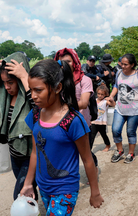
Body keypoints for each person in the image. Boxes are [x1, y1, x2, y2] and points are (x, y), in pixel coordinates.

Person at [20, 59, 104, 215]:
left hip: (65, 190)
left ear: (58, 87)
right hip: (43, 186)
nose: (33, 96)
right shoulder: (35, 114)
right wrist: (27, 184)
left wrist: (95, 192)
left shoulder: (73, 120)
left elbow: (87, 159)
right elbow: (34, 152)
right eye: (31, 90)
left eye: (39, 90)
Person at [0, 52, 38, 201]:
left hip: (30, 157)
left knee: (20, 195)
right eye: (3, 82)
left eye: (10, 82)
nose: (6, 87)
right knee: (29, 193)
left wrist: (25, 77)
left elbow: (38, 108)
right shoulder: (4, 97)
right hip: (15, 154)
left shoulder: (33, 96)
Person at [54, 48, 99, 180]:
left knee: (86, 153)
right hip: (62, 124)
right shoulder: (56, 80)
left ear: (75, 62)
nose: (64, 64)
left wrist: (59, 107)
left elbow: (84, 103)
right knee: (66, 154)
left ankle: (93, 172)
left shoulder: (84, 80)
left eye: (68, 61)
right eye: (61, 61)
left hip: (82, 124)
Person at [107, 53, 138, 163]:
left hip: (135, 109)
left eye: (126, 64)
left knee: (130, 132)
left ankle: (131, 153)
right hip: (120, 108)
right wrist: (111, 96)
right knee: (115, 130)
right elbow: (116, 86)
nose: (123, 66)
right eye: (121, 64)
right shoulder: (119, 73)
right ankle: (119, 150)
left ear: (132, 64)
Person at [90, 85, 115, 152]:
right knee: (92, 135)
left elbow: (114, 105)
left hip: (102, 122)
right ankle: (89, 150)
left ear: (105, 94)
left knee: (103, 134)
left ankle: (108, 144)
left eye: (102, 94)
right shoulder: (94, 100)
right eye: (98, 93)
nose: (100, 95)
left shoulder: (105, 102)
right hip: (94, 121)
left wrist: (111, 100)